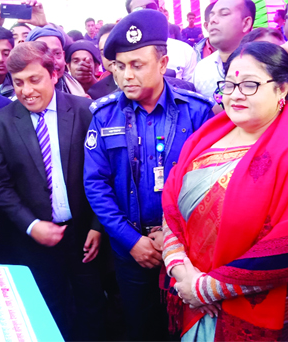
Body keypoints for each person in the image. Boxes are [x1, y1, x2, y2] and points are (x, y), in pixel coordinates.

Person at [162, 41, 288, 341]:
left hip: (271, 307)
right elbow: (171, 205)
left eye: (249, 84)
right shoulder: (203, 138)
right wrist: (179, 268)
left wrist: (203, 289)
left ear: (282, 89)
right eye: (229, 84)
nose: (235, 94)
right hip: (192, 293)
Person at [83, 9, 213, 341]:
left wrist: (172, 238)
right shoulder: (103, 115)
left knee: (189, 329)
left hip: (187, 250)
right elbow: (96, 185)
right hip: (132, 251)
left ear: (163, 63)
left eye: (137, 65)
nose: (127, 75)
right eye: (119, 66)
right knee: (141, 328)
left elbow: (210, 184)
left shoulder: (196, 111)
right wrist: (132, 241)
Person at [0, 41, 107, 341]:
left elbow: (105, 173)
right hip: (33, 240)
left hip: (83, 236)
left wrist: (97, 226)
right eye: (18, 83)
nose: (26, 90)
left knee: (93, 307)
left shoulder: (84, 111)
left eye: (34, 79)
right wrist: (31, 225)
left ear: (53, 74)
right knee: (49, 310)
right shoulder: (0, 124)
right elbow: (0, 185)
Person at [193, 0, 256, 100]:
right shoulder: (202, 68)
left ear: (246, 23)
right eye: (211, 16)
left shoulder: (268, 64)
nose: (213, 20)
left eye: (224, 14)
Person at [128, 0, 199, 83]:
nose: (146, 13)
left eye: (150, 7)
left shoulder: (185, 51)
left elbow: (190, 91)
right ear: (129, 17)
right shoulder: (124, 55)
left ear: (160, 10)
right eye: (139, 10)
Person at [26, 26, 89, 97]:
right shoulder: (24, 95)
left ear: (63, 56)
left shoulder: (77, 87)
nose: (53, 61)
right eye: (43, 54)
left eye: (57, 53)